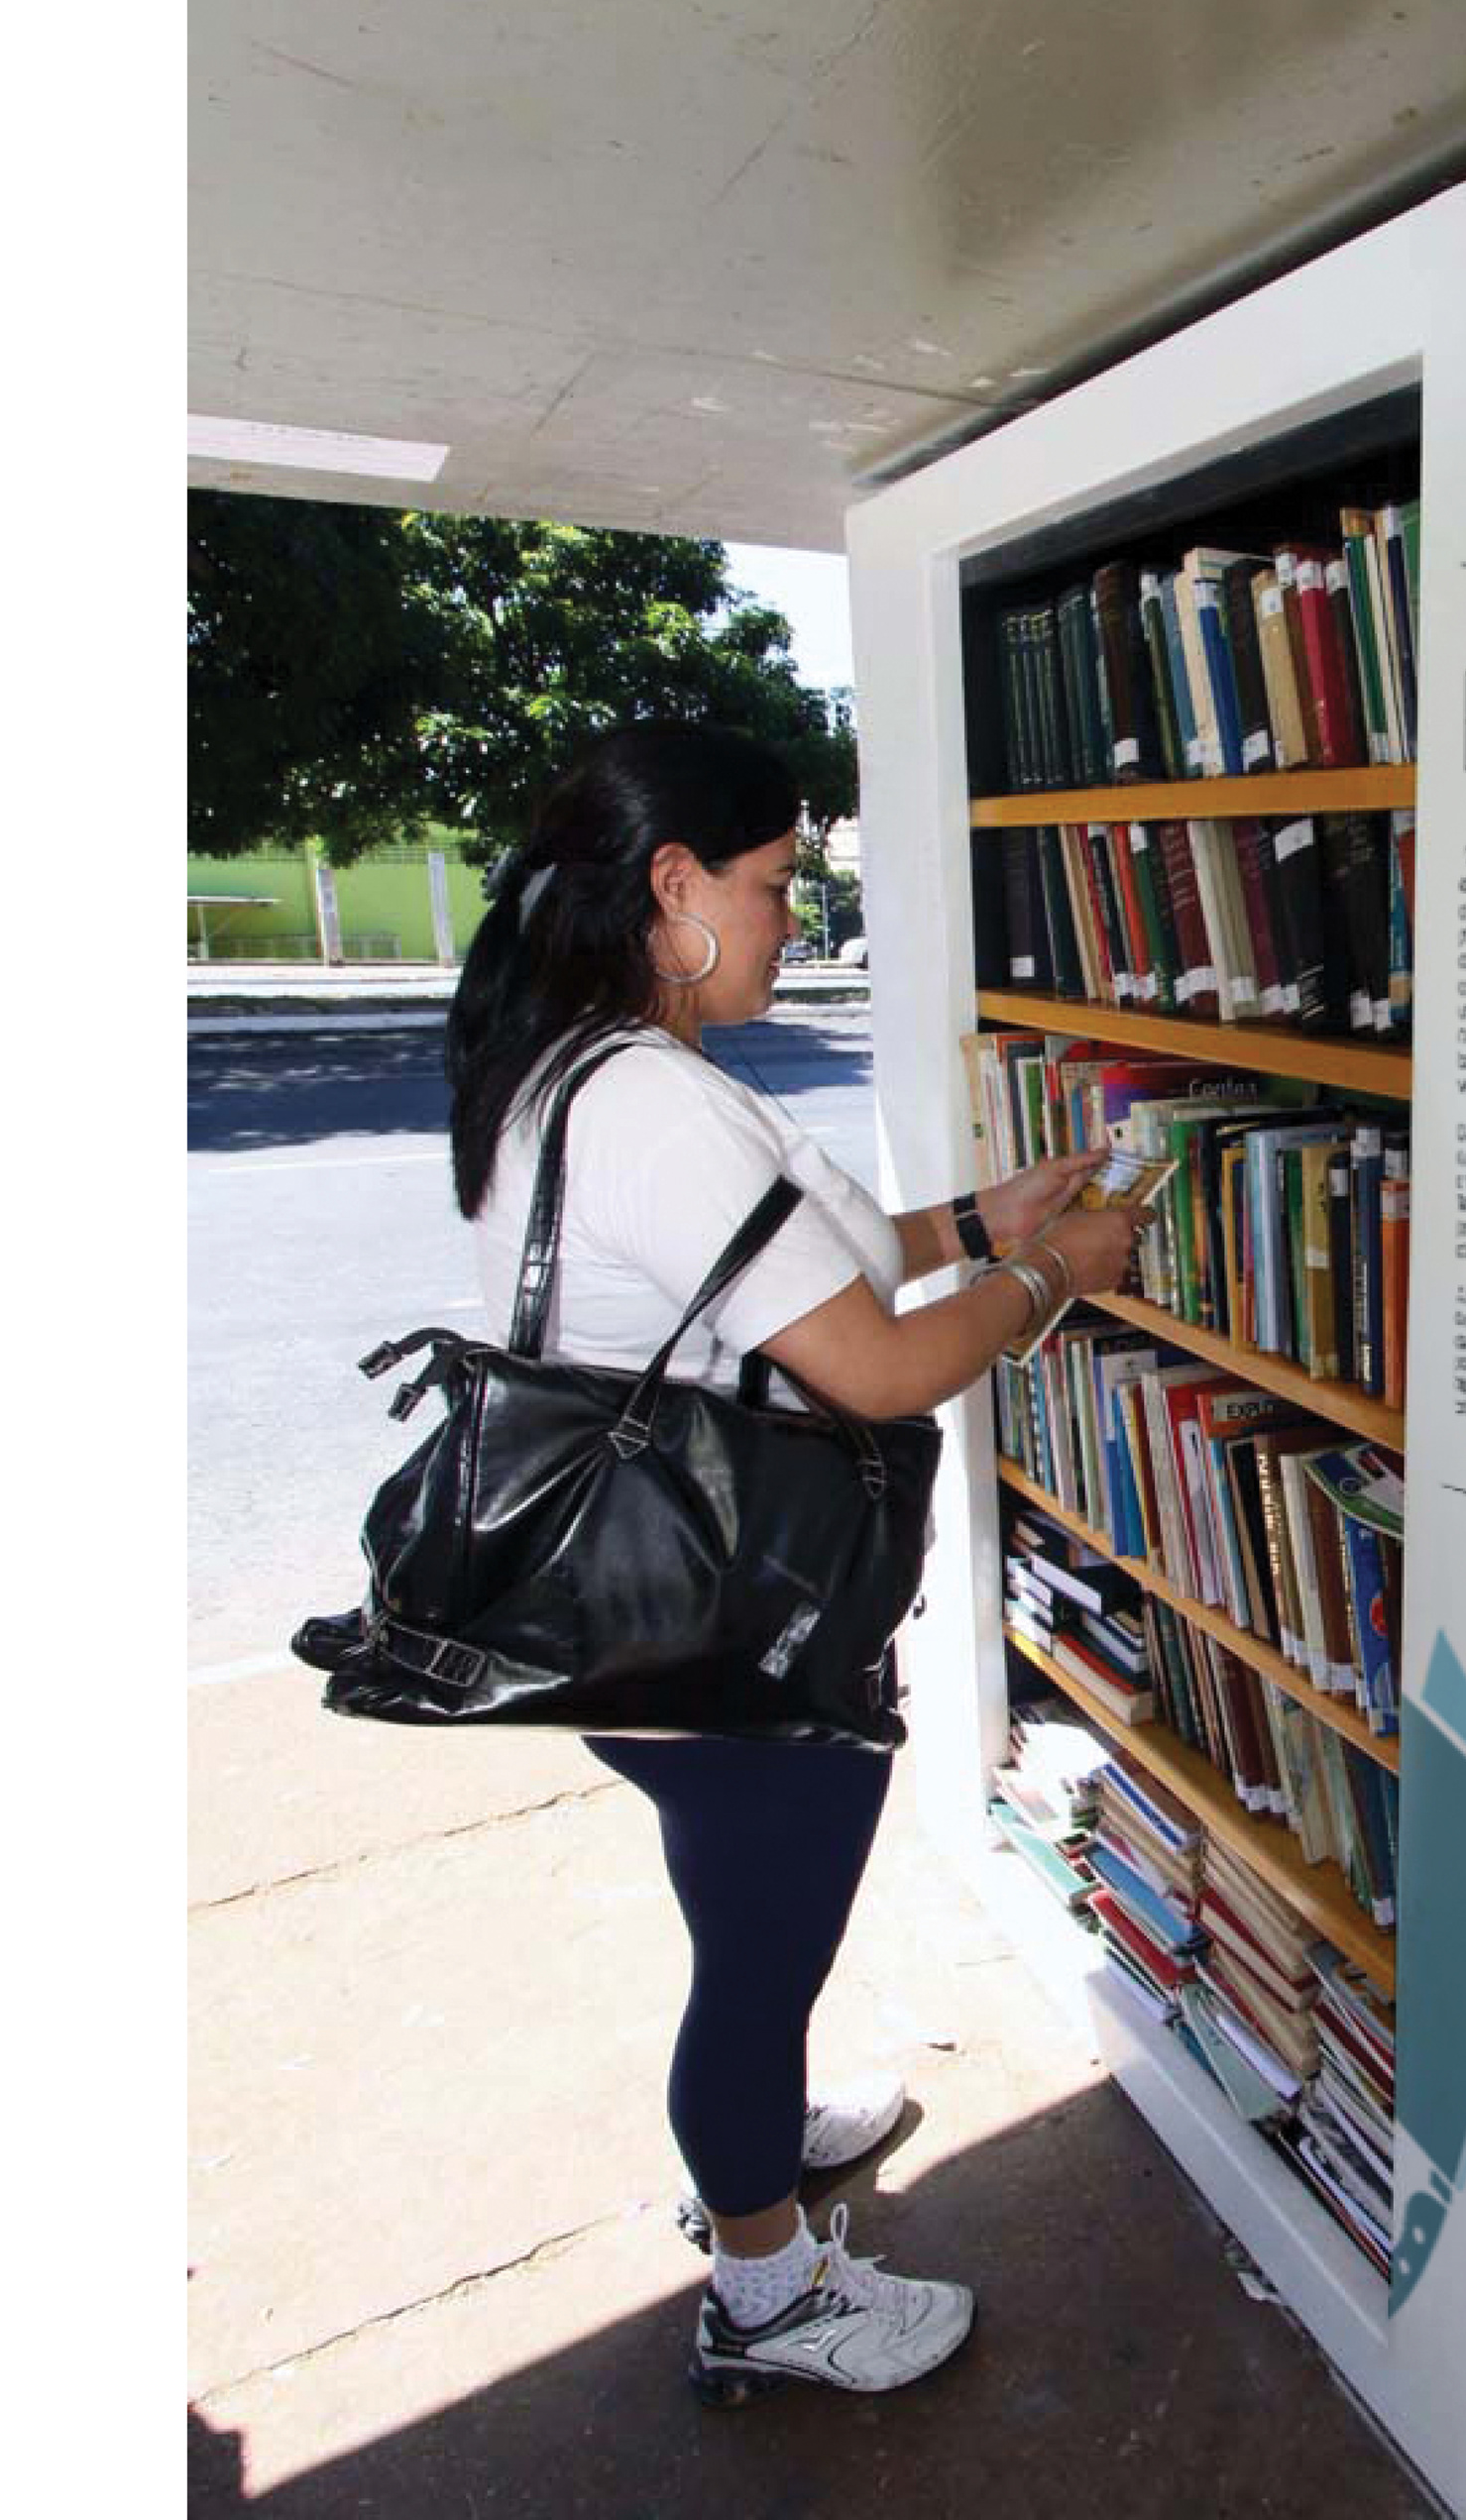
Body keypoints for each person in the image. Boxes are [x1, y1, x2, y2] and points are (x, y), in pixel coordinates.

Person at [442, 724, 1149, 2403]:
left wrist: (982, 1223)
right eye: (772, 885)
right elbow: (879, 1371)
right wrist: (1059, 1273)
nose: (793, 917)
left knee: (743, 1926)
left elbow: (792, 1271)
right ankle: (761, 2286)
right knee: (761, 1965)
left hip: (646, 1613)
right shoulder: (653, 1106)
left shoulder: (584, 1066)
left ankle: (753, 2140)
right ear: (673, 885)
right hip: (733, 1630)